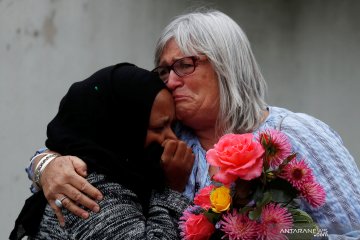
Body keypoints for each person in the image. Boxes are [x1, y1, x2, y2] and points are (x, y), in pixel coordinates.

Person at [23, 9, 360, 239]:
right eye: (163, 71)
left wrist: (285, 233)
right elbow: (87, 147)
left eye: (184, 65)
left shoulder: (294, 134)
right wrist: (46, 164)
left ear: (227, 66)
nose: (169, 81)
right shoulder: (158, 138)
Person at [10, 63, 194, 239]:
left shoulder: (124, 171)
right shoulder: (87, 191)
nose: (172, 139)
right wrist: (172, 190)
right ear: (121, 128)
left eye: (172, 126)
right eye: (158, 128)